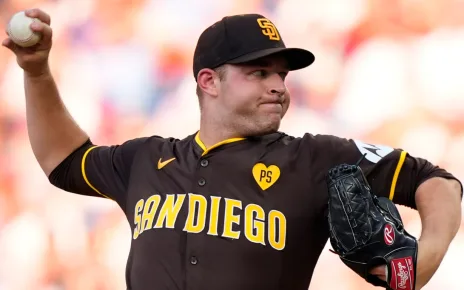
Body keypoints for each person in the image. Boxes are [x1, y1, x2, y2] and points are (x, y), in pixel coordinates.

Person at [2, 9, 462, 290]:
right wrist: (37, 72)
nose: (278, 86)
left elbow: (437, 183)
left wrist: (420, 265)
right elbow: (63, 161)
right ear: (209, 81)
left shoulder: (317, 158)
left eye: (282, 74)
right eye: (259, 73)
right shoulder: (146, 160)